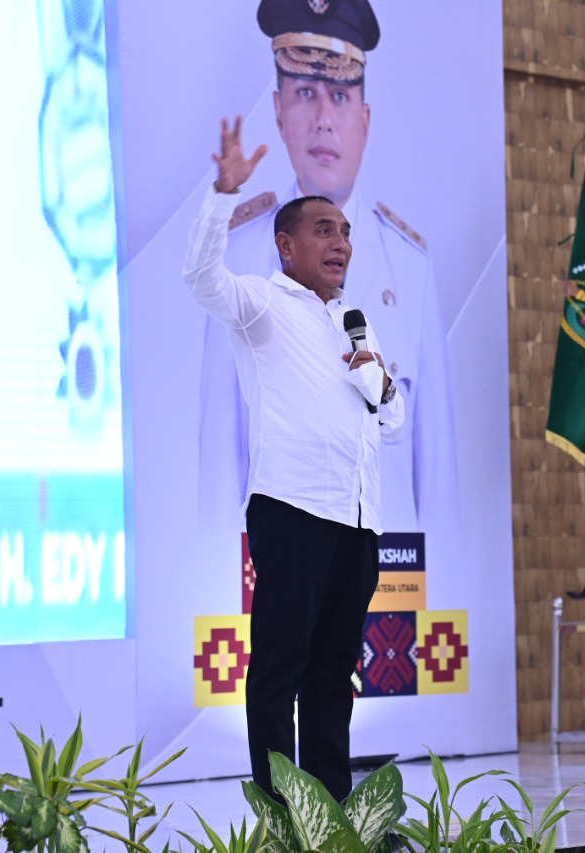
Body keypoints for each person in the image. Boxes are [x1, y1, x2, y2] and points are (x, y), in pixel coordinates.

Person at [184, 116, 405, 802]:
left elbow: (392, 423)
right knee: (280, 667)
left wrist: (381, 380)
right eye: (323, 231)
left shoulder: (352, 320)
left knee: (335, 670)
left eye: (344, 233)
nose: (340, 243)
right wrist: (221, 196)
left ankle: (332, 813)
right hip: (293, 511)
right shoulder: (263, 302)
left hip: (358, 521)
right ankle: (283, 813)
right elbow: (200, 277)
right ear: (285, 246)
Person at [199, 0, 457, 543]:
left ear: (364, 119)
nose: (323, 117)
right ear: (278, 111)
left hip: (381, 550)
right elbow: (221, 452)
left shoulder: (411, 267)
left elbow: (434, 469)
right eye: (304, 93)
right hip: (287, 533)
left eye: (339, 96)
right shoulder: (244, 256)